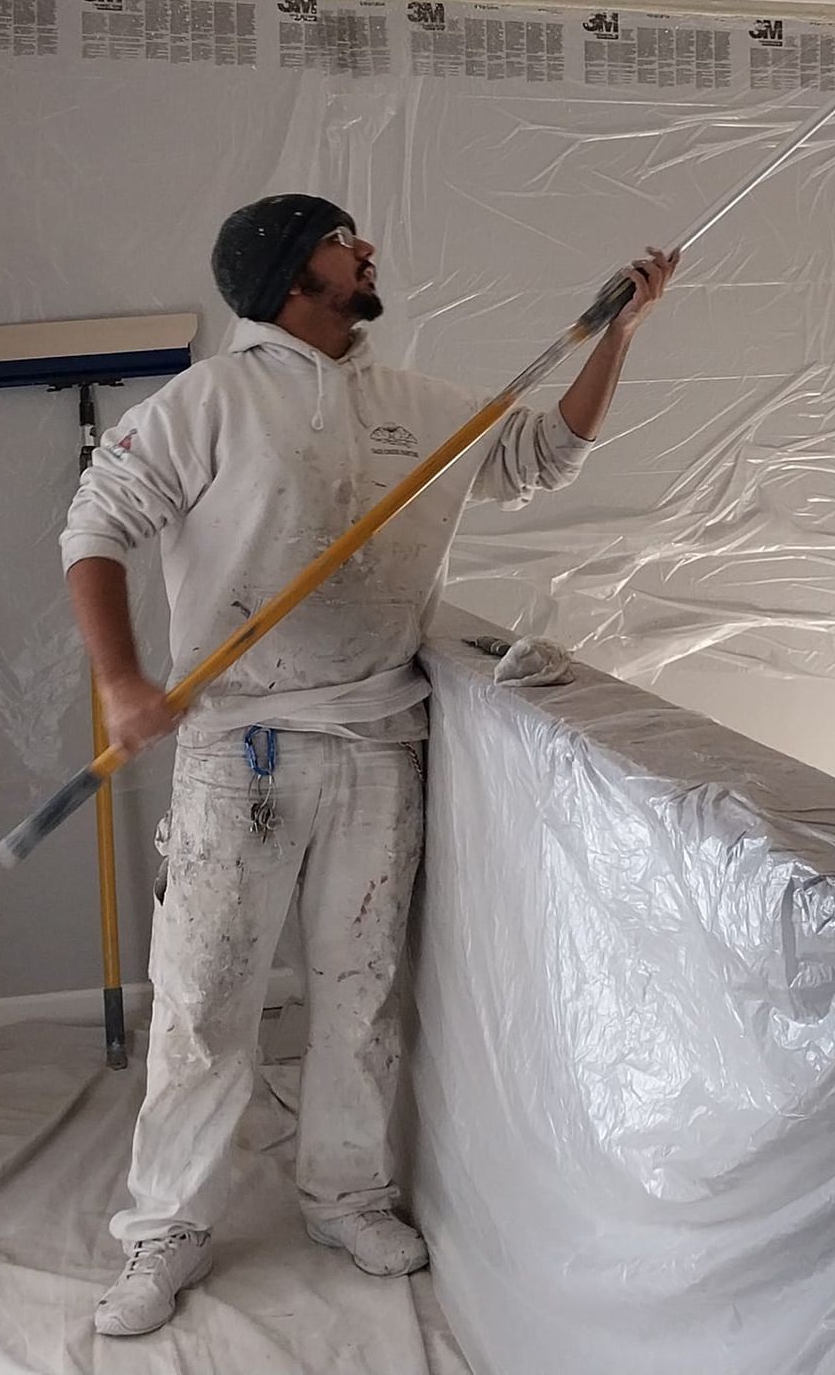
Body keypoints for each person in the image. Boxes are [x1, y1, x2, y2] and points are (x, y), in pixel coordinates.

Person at [61, 193, 676, 1338]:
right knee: (206, 1002)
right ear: (297, 273)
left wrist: (620, 337)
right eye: (345, 240)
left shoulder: (414, 408)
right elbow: (94, 526)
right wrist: (122, 682)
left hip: (380, 743)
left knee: (360, 994)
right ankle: (167, 1231)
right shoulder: (209, 403)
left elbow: (539, 457)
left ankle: (344, 1193)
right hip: (239, 747)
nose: (368, 249)